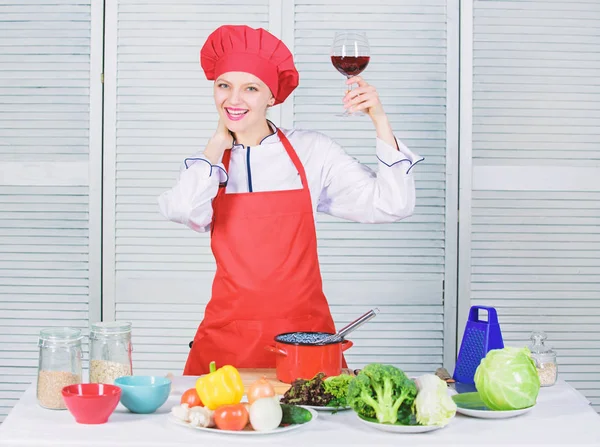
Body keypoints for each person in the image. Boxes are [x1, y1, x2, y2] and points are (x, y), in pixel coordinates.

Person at [158, 25, 423, 375]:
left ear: (271, 97)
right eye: (224, 86)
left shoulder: (312, 151)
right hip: (228, 338)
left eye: (250, 88)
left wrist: (380, 120)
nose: (233, 100)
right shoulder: (208, 165)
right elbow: (183, 211)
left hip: (305, 337)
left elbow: (393, 204)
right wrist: (216, 144)